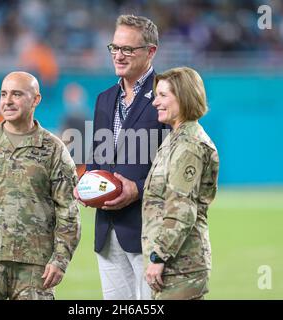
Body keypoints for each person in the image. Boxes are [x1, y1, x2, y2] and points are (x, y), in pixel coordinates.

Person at [0, 71, 81, 300]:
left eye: (16, 94)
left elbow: (68, 211)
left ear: (36, 99)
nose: (7, 101)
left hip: (35, 268)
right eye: (3, 94)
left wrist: (60, 259)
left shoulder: (54, 149)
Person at [75, 14, 168, 300]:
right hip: (107, 230)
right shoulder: (104, 98)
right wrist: (88, 185)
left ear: (150, 51)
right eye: (115, 48)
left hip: (150, 232)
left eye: (128, 49)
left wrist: (137, 189)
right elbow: (98, 159)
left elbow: (175, 167)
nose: (119, 55)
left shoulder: (167, 94)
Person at [142, 67, 219, 300]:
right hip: (175, 264)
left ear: (183, 97)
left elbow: (182, 208)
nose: (156, 102)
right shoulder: (175, 139)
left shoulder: (188, 145)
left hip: (181, 266)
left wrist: (159, 257)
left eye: (163, 95)